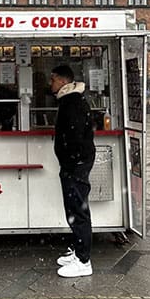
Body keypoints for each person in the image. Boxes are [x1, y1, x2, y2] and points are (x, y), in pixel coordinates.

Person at [50, 64, 96, 278]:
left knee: (78, 211)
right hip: (74, 165)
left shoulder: (72, 103)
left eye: (53, 80)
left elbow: (75, 138)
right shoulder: (71, 100)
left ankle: (83, 260)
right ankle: (78, 251)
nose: (51, 84)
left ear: (61, 81)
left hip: (75, 167)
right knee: (74, 210)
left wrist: (71, 163)